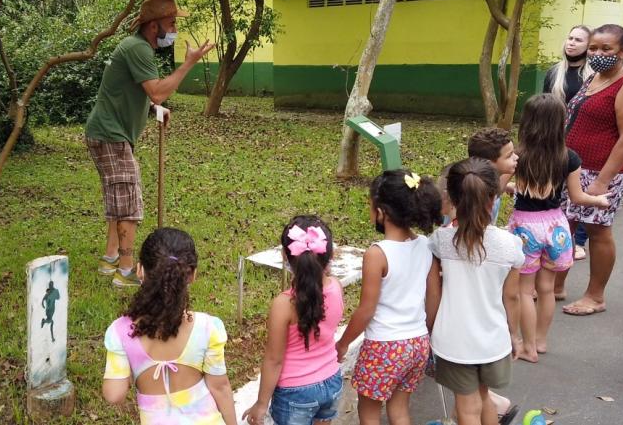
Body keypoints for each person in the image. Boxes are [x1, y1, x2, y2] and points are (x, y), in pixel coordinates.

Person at [85, 0, 215, 287]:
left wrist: (155, 109)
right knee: (128, 201)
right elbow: (157, 90)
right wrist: (189, 63)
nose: (174, 29)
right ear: (153, 26)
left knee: (118, 197)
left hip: (107, 133)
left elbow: (139, 93)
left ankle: (110, 259)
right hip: (110, 135)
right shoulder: (138, 49)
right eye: (171, 23)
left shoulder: (138, 48)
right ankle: (128, 272)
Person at [507, 94, 609, 363]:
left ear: (527, 122)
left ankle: (526, 345)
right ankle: (541, 341)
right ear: (561, 122)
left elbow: (498, 183)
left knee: (524, 290)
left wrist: (509, 187)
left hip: (525, 227)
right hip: (556, 227)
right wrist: (598, 199)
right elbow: (577, 197)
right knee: (547, 288)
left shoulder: (518, 155)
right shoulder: (569, 157)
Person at [334, 170, 442, 425]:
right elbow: (434, 296)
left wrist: (343, 342)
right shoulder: (426, 245)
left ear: (382, 211)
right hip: (416, 343)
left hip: (384, 345)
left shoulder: (377, 253)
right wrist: (425, 330)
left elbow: (366, 310)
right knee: (399, 408)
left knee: (369, 409)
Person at [556, 24, 623, 315]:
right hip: (574, 168)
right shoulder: (595, 75)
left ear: (622, 51)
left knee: (598, 231)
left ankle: (595, 296)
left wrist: (601, 182)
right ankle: (556, 286)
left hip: (601, 173)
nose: (598, 54)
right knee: (563, 226)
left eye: (606, 49)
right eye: (594, 48)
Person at [101, 227, 237, 424]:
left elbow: (114, 395)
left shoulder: (120, 332)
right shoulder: (207, 328)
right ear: (191, 275)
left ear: (140, 270)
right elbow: (220, 387)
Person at [428, 158, 524, 425]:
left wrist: (430, 327)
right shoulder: (510, 245)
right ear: (493, 197)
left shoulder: (439, 242)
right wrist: (514, 335)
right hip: (493, 340)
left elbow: (433, 294)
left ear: (452, 198)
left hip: (453, 341)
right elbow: (512, 297)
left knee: (467, 408)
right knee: (484, 398)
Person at [243, 216, 343, 425]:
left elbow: (274, 359)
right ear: (330, 255)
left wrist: (261, 404)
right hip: (332, 381)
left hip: (295, 394)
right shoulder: (336, 286)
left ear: (285, 257)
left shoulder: (284, 304)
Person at [543, 25, 595, 261]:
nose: (571, 43)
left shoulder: (595, 76)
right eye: (570, 37)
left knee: (580, 190)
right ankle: (550, 234)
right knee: (555, 189)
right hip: (556, 140)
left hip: (584, 140)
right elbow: (545, 108)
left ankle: (579, 240)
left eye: (579, 40)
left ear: (588, 46)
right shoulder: (554, 73)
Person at [467, 128, 518, 224]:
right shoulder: (479, 199)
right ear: (489, 164)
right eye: (509, 155)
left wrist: (508, 186)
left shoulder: (481, 182)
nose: (516, 157)